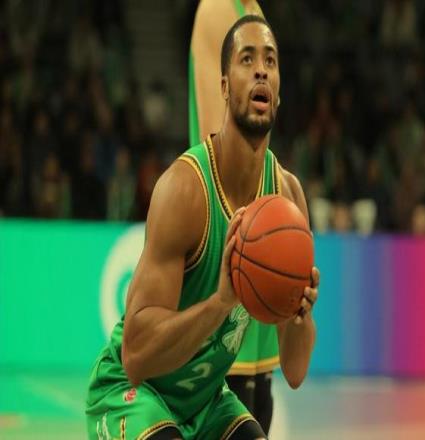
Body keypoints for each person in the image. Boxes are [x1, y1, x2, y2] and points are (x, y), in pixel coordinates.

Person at [86, 15, 319, 440]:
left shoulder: (287, 198)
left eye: (270, 60)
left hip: (205, 401)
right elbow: (135, 356)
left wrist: (299, 316)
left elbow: (296, 371)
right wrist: (221, 302)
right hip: (132, 393)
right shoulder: (184, 190)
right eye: (247, 59)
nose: (261, 70)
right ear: (224, 87)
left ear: (279, 91)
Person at [189, 1, 278, 434]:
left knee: (261, 402)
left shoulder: (250, 8)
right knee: (237, 407)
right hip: (233, 237)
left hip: (256, 219)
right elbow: (220, 145)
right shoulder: (217, 10)